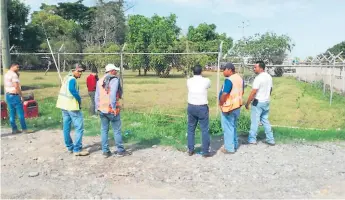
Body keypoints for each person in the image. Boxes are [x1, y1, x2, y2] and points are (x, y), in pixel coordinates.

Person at [95, 64, 128, 158]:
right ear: (111, 71)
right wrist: (113, 107)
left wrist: (97, 107)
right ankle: (120, 151)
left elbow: (97, 96)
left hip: (102, 109)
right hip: (111, 109)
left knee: (104, 130)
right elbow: (113, 94)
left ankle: (105, 151)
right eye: (115, 70)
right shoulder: (114, 80)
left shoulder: (100, 80)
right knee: (117, 130)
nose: (116, 72)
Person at [56, 63, 90, 156]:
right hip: (72, 106)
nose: (80, 74)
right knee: (79, 127)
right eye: (79, 71)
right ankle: (77, 149)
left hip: (63, 105)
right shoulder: (72, 79)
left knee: (66, 127)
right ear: (74, 70)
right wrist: (79, 99)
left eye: (81, 72)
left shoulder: (66, 77)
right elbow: (72, 89)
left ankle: (70, 147)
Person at [245, 61, 275, 145]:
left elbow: (254, 91)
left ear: (261, 68)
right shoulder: (269, 77)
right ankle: (271, 139)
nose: (254, 69)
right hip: (266, 102)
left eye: (255, 67)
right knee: (265, 120)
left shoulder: (258, 78)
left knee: (255, 121)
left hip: (257, 102)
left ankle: (252, 139)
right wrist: (267, 96)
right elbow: (270, 89)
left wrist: (247, 103)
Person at [218, 63, 244, 154]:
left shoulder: (229, 80)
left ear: (229, 69)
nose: (223, 72)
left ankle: (229, 148)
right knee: (233, 127)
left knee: (228, 128)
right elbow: (242, 91)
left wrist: (221, 103)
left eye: (224, 69)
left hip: (229, 107)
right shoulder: (240, 78)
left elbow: (225, 94)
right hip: (237, 106)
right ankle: (234, 144)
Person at [186, 65, 211, 157]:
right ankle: (205, 151)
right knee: (204, 129)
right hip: (202, 107)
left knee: (191, 129)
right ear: (201, 71)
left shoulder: (189, 81)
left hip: (191, 106)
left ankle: (190, 149)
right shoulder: (206, 80)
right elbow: (208, 86)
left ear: (193, 72)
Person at [4, 62, 31, 134]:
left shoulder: (6, 74)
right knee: (20, 113)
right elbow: (16, 86)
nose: (18, 68)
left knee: (12, 113)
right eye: (17, 67)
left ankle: (14, 129)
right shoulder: (14, 75)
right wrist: (21, 96)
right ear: (12, 66)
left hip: (8, 95)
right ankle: (24, 129)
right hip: (15, 95)